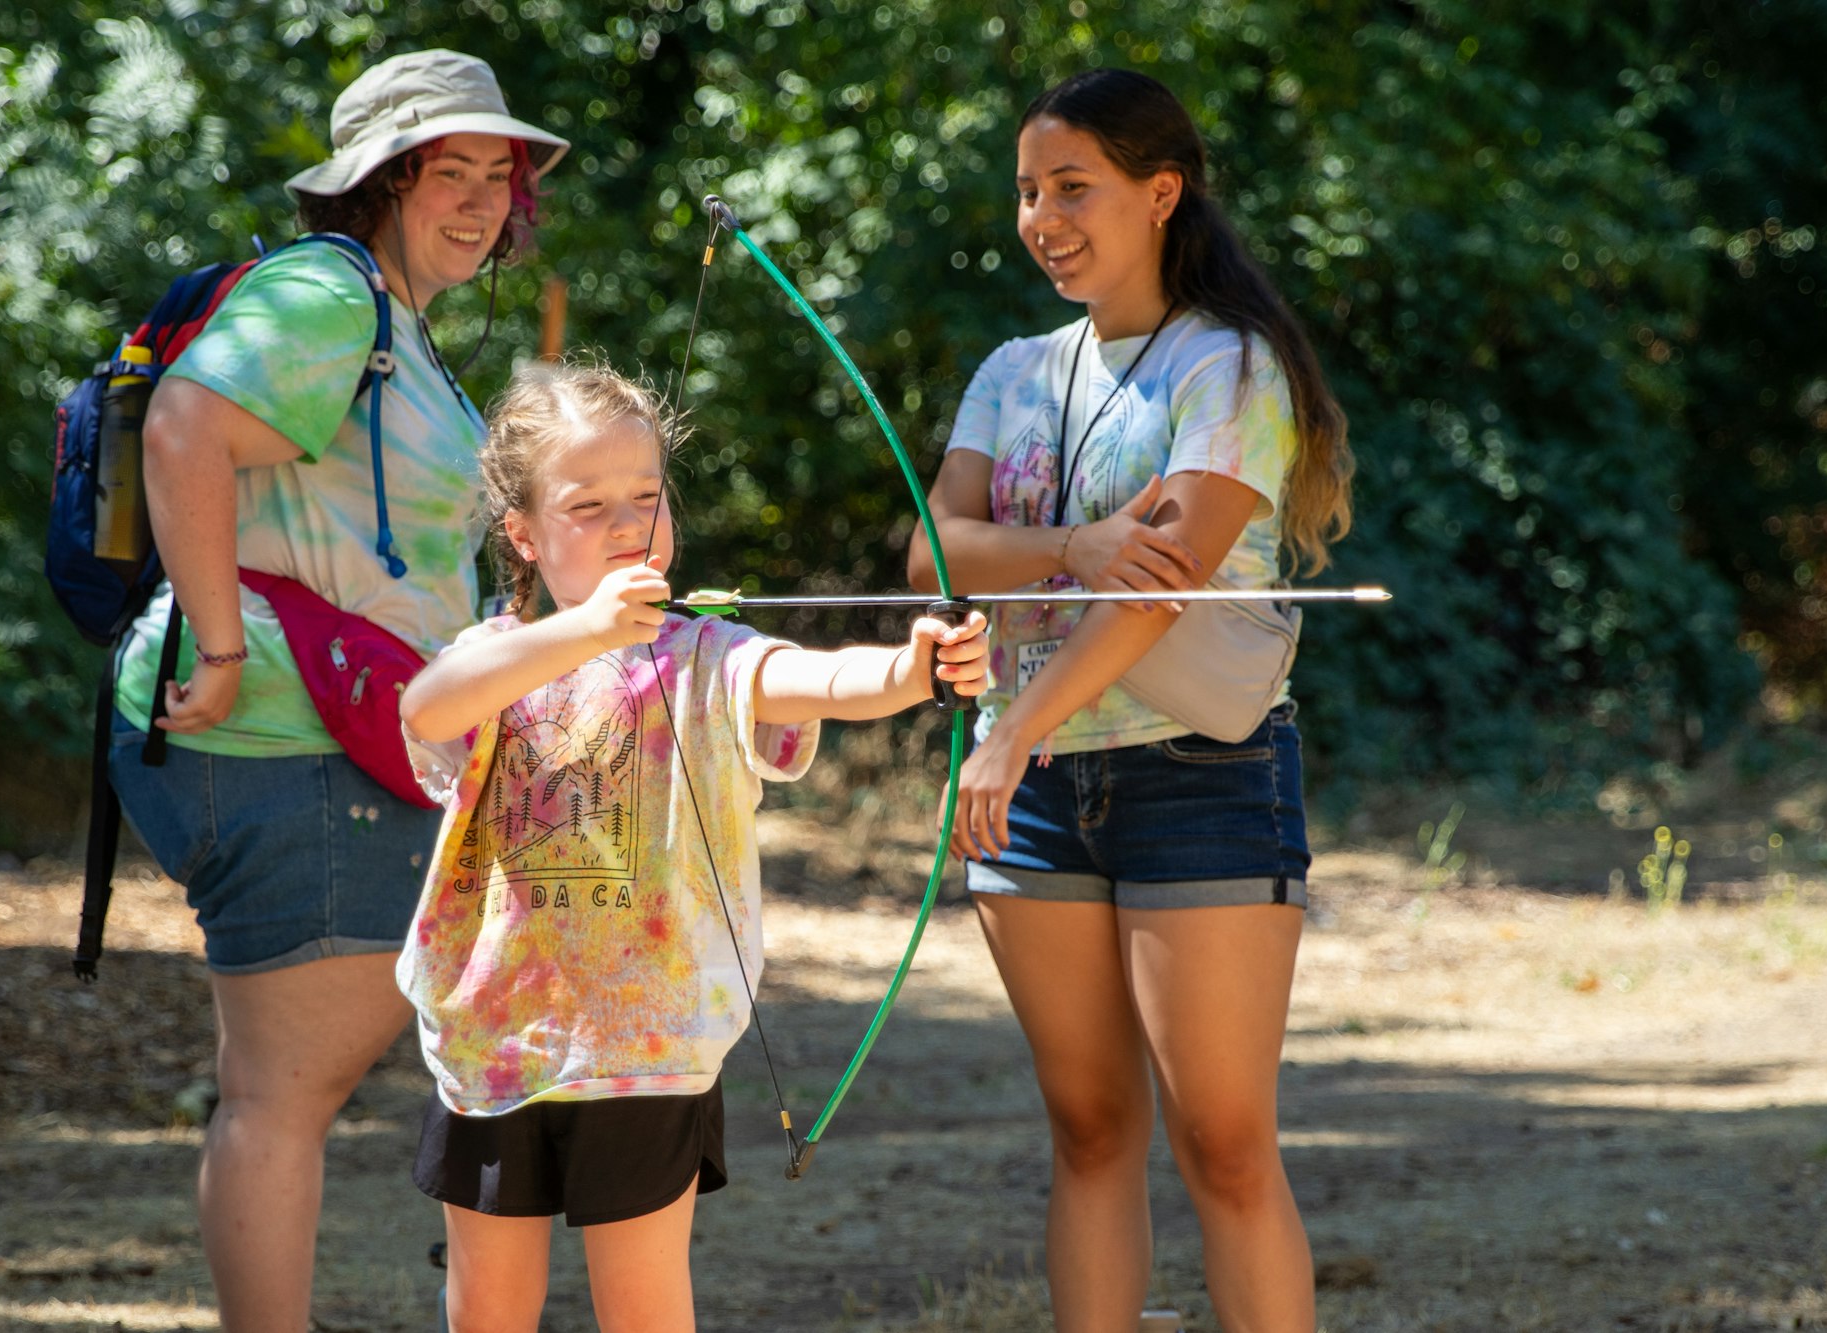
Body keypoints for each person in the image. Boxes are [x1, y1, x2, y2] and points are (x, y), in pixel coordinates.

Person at [106, 50, 568, 1332]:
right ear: (375, 184)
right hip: (274, 733)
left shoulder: (393, 321)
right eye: (444, 174)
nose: (478, 203)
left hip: (323, 743)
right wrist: (222, 646)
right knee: (286, 1089)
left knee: (279, 1080)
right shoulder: (326, 293)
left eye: (498, 175)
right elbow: (185, 431)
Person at [394, 359, 990, 1331]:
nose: (627, 524)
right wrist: (584, 630)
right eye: (586, 505)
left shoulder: (703, 655)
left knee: (645, 1305)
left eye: (645, 495)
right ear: (523, 533)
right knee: (487, 1307)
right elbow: (426, 708)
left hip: (648, 1043)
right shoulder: (491, 659)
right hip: (496, 1040)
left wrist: (914, 667)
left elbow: (822, 680)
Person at [907, 68, 1354, 1333]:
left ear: (1159, 194)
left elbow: (1165, 586)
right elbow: (932, 547)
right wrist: (1073, 544)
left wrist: (1011, 727)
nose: (1042, 217)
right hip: (1038, 795)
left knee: (1221, 1143)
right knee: (1090, 1129)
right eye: (1026, 193)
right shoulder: (1011, 368)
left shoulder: (1230, 367)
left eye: (1072, 189)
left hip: (1197, 779)